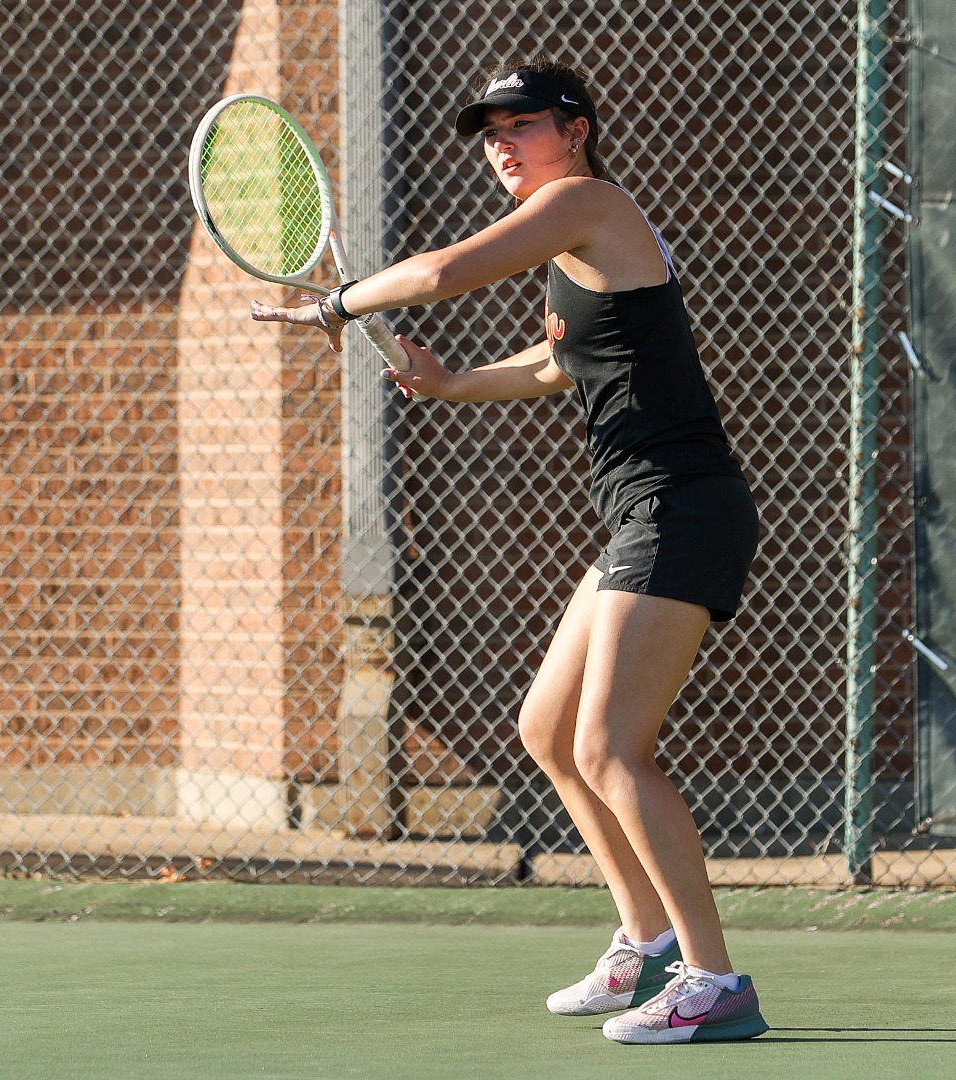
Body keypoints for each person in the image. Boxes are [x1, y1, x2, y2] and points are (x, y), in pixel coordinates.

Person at [250, 59, 766, 1046]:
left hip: (681, 505)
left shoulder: (588, 202)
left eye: (520, 124)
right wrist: (452, 386)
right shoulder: (576, 248)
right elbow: (553, 365)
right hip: (638, 511)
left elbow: (444, 272)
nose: (499, 143)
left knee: (613, 748)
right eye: (488, 129)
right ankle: (646, 946)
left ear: (574, 130)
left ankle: (716, 981)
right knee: (548, 729)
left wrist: (336, 306)